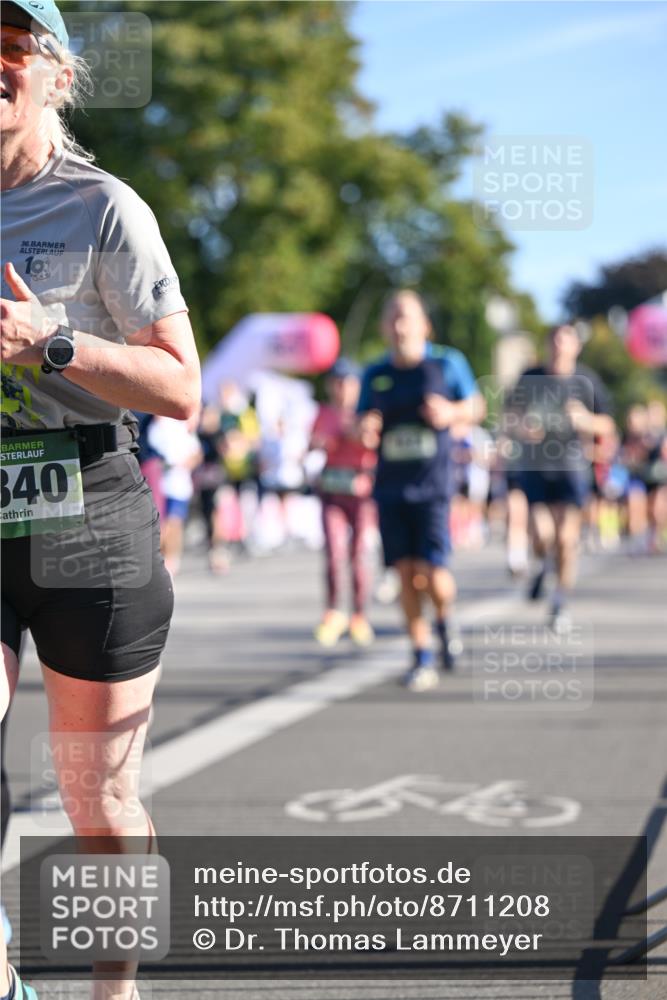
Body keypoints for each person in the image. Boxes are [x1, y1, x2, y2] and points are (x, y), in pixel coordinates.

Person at [0, 3, 200, 999]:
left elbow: (180, 386)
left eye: (13, 46)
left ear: (58, 76)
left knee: (100, 799)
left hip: (87, 509)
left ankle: (114, 989)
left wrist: (51, 342)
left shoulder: (102, 208)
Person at [357, 290, 484, 691]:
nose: (399, 325)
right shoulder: (375, 372)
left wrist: (451, 412)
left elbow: (477, 406)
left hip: (433, 485)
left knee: (433, 575)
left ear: (424, 325)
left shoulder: (447, 363)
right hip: (391, 486)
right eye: (392, 317)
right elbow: (360, 420)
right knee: (406, 574)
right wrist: (365, 427)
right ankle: (421, 654)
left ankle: (445, 620)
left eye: (407, 317)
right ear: (384, 327)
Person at [507, 323, 614, 631]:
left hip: (571, 467)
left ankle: (559, 602)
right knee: (542, 534)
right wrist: (523, 427)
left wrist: (585, 419)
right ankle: (542, 564)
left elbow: (607, 424)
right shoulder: (530, 378)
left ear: (576, 347)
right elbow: (510, 416)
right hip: (536, 467)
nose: (559, 347)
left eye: (565, 341)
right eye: (554, 340)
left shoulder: (586, 381)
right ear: (547, 345)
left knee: (566, 539)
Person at [310, 358, 377, 648]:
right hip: (332, 493)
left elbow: (374, 442)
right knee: (334, 552)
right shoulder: (323, 413)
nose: (342, 389)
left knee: (359, 554)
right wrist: (324, 441)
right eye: (337, 383)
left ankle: (359, 615)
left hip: (362, 495)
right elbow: (313, 442)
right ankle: (333, 612)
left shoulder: (368, 412)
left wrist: (355, 434)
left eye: (347, 383)